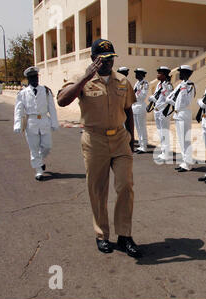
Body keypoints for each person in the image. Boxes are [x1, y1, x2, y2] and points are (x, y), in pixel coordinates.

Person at [56, 39, 140, 257]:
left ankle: (124, 236)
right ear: (93, 60)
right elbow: (63, 101)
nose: (107, 63)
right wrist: (85, 78)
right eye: (102, 59)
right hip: (95, 141)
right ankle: (102, 235)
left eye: (111, 58)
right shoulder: (80, 79)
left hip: (120, 140)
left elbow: (129, 111)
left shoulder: (122, 81)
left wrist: (131, 140)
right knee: (98, 190)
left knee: (125, 187)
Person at [13, 66, 59, 181]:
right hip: (31, 122)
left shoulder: (46, 90)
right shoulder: (23, 93)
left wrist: (54, 122)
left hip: (44, 120)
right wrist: (17, 124)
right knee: (34, 148)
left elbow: (51, 108)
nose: (35, 79)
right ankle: (39, 171)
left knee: (47, 146)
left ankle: (39, 160)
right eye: (32, 77)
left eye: (36, 77)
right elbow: (18, 110)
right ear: (28, 79)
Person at [166, 65, 196, 172]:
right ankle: (184, 161)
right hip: (178, 114)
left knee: (185, 139)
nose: (180, 74)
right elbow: (171, 96)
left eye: (182, 72)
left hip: (184, 113)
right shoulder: (180, 85)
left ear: (187, 73)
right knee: (180, 139)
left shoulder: (190, 86)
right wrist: (171, 101)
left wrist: (175, 101)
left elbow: (187, 101)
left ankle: (188, 163)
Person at [148, 66, 174, 163]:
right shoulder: (159, 84)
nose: (157, 75)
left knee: (164, 132)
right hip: (157, 110)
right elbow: (158, 97)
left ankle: (166, 153)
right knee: (160, 132)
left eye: (159, 73)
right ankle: (163, 151)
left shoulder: (168, 86)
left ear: (164, 75)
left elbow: (168, 100)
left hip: (164, 111)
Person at [132, 68, 149, 154]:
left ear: (141, 74)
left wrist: (136, 95)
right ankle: (141, 144)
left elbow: (142, 96)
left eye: (137, 73)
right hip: (135, 106)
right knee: (138, 127)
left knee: (142, 127)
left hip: (140, 106)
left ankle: (144, 146)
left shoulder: (144, 84)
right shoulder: (137, 83)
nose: (136, 75)